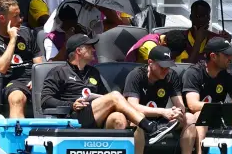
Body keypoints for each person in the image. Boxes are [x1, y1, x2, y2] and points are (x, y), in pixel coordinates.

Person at [40, 34, 174, 143]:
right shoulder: (58, 72)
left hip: (95, 116)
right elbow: (46, 100)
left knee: (118, 118)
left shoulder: (93, 72)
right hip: (74, 118)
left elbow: (104, 97)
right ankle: (151, 128)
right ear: (78, 51)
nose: (94, 50)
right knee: (115, 95)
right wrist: (71, 105)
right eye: (90, 47)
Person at [123, 46, 197, 154]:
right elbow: (132, 106)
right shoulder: (136, 75)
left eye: (168, 66)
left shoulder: (171, 76)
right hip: (142, 121)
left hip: (164, 123)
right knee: (135, 117)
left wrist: (177, 111)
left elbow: (180, 104)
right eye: (162, 66)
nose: (166, 70)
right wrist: (163, 111)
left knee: (190, 118)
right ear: (150, 62)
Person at [0, 0, 43, 118]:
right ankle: (18, 130)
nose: (20, 19)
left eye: (20, 15)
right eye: (16, 16)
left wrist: (36, 79)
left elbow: (39, 64)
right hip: (11, 82)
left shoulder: (27, 34)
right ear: (2, 18)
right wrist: (13, 39)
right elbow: (1, 67)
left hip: (33, 80)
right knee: (17, 97)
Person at [125, 29, 189, 63]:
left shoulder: (177, 49)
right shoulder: (150, 46)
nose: (173, 58)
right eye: (172, 56)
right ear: (164, 44)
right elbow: (156, 68)